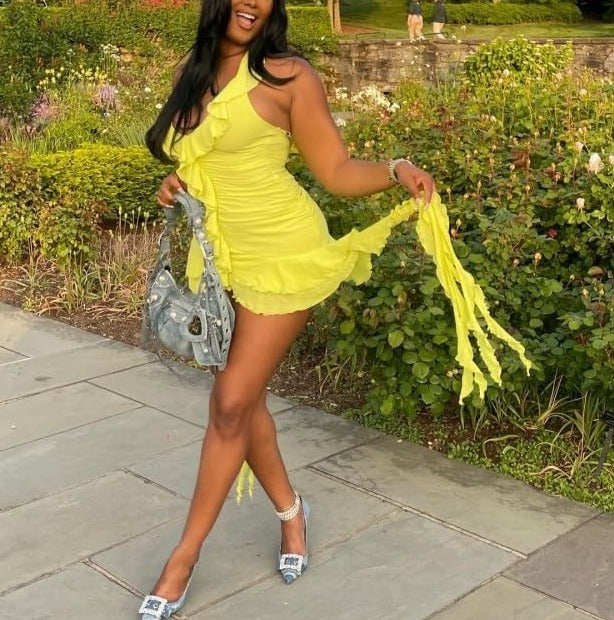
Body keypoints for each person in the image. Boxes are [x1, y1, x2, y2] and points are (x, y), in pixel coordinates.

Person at [140, 0, 437, 617]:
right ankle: (292, 512)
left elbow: (335, 170)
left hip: (284, 255)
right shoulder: (192, 71)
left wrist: (396, 168)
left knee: (230, 403)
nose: (252, 2)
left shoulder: (289, 76)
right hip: (218, 261)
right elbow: (199, 160)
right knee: (244, 403)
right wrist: (175, 183)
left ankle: (183, 558)